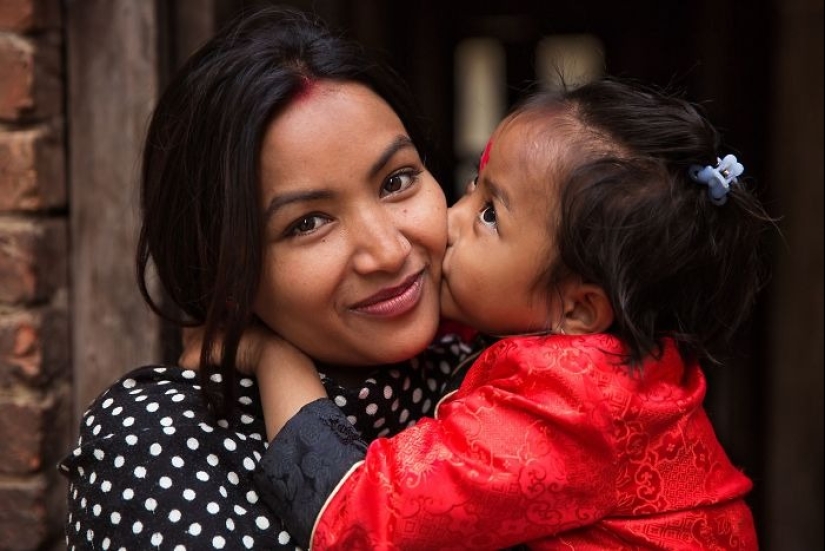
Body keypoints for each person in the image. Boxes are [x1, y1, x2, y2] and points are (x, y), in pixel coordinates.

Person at [246, 77, 771, 550]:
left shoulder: (572, 404)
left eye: (490, 215)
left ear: (578, 309)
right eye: (476, 185)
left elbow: (362, 518)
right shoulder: (614, 364)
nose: (450, 219)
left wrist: (273, 356)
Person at [57, 7, 482, 550]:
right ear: (226, 268)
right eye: (308, 223)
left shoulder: (500, 381)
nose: (387, 250)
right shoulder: (162, 439)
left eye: (397, 180)